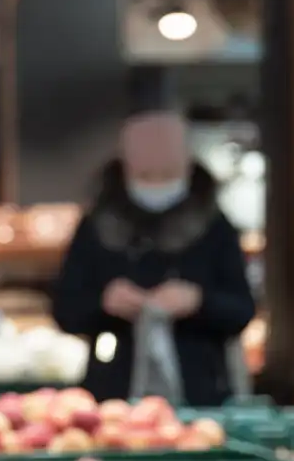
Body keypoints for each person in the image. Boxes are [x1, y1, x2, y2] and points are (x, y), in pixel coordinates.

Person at [50, 109, 256, 407]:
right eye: (147, 170)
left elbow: (241, 309)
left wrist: (197, 301)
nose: (156, 178)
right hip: (113, 393)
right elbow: (65, 309)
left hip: (200, 391)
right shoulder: (98, 225)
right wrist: (104, 303)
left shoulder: (214, 225)